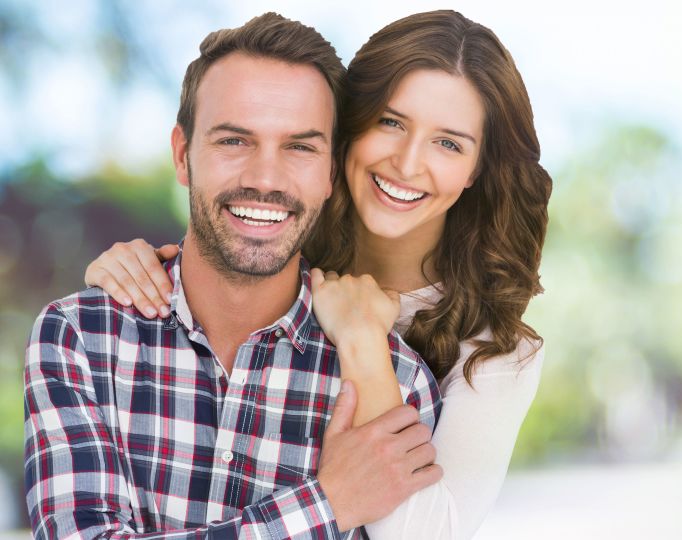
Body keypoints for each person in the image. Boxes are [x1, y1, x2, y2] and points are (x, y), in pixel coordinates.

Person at [84, 9, 552, 540]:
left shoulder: (494, 357)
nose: (406, 162)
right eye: (391, 122)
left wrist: (363, 343)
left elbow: (425, 534)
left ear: (476, 170)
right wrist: (134, 268)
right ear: (344, 131)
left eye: (449, 143)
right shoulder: (275, 235)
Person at [24, 13, 443, 539]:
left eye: (299, 147)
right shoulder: (80, 338)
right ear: (183, 154)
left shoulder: (394, 383)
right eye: (234, 141)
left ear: (331, 172)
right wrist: (328, 504)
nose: (265, 178)